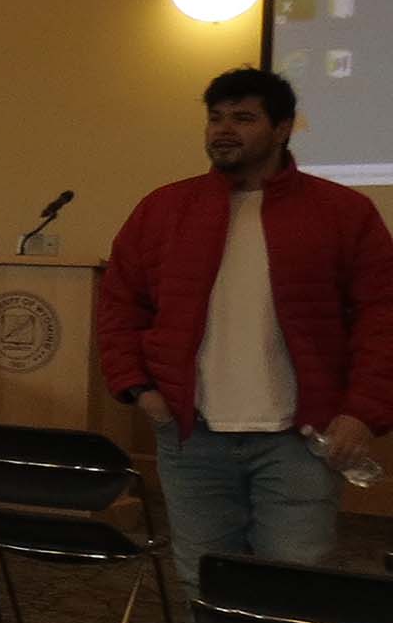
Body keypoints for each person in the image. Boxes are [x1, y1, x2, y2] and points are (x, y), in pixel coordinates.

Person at [97, 65, 393, 596]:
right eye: (215, 118)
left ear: (282, 129)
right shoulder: (164, 210)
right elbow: (120, 305)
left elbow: (383, 319)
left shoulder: (343, 212)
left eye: (243, 118)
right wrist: (140, 391)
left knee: (293, 584)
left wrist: (362, 412)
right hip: (192, 437)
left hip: (300, 441)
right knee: (205, 581)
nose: (224, 130)